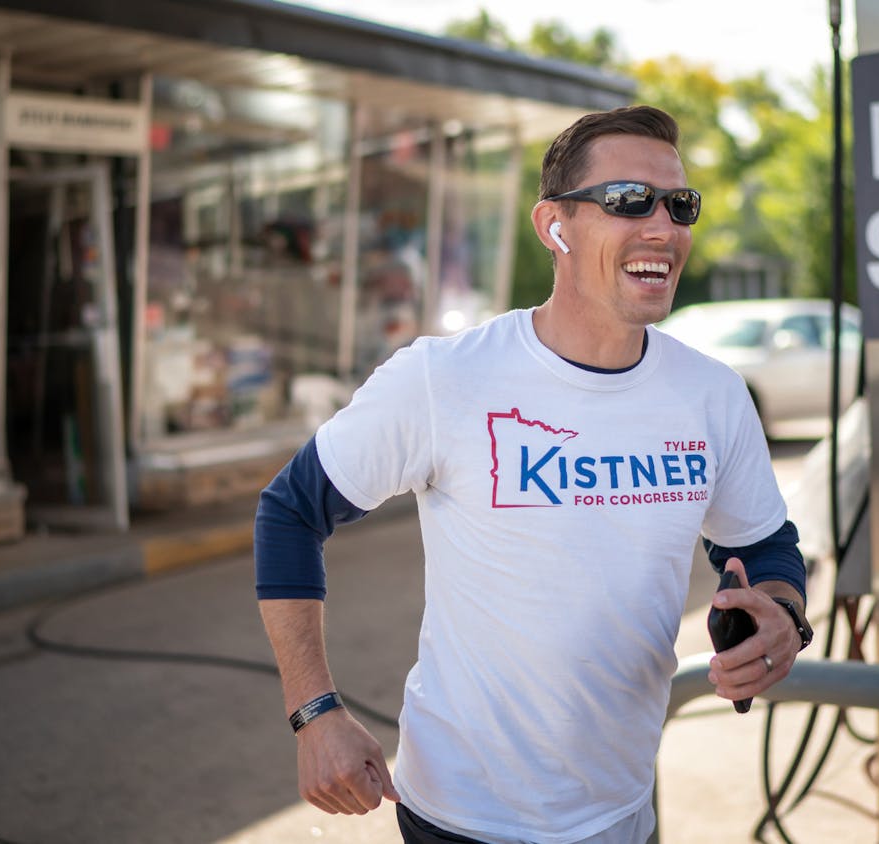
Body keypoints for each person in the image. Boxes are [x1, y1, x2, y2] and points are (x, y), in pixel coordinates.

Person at [255, 104, 812, 844]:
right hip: (461, 818)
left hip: (624, 813)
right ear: (555, 226)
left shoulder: (711, 393)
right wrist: (314, 712)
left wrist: (781, 613)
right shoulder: (444, 377)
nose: (663, 228)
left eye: (679, 205)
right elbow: (290, 512)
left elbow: (765, 545)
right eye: (627, 201)